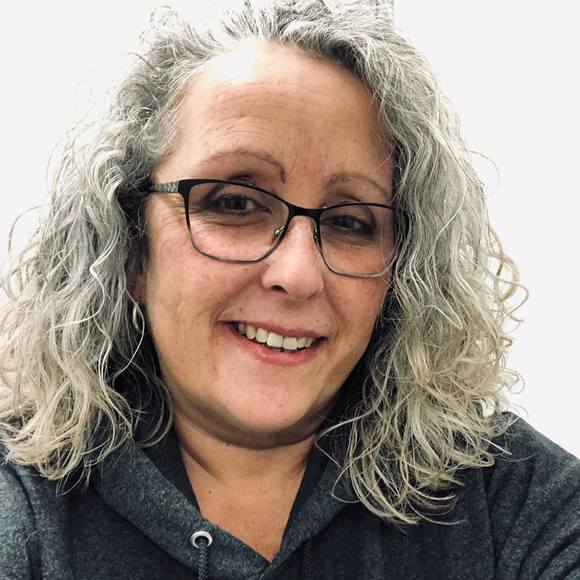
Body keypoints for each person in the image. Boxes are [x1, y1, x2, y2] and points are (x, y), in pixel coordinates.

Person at [0, 1, 578, 578]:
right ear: (130, 247)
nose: (298, 274)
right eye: (235, 203)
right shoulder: (22, 506)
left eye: (350, 221)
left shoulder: (517, 506)